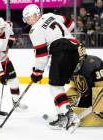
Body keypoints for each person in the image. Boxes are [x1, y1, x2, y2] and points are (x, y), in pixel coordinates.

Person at [22, 4, 80, 132]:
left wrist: (37, 73)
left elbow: (42, 56)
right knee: (57, 86)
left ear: (36, 15)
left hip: (61, 53)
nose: (28, 21)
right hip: (75, 50)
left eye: (29, 17)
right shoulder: (50, 15)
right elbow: (71, 24)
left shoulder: (34, 30)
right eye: (26, 18)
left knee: (55, 87)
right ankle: (62, 117)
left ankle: (70, 116)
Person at [0, 17, 28, 110]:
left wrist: (9, 44)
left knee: (14, 81)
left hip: (4, 58)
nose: (0, 30)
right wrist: (1, 75)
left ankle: (16, 103)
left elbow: (11, 30)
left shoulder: (7, 26)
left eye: (1, 28)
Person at [66, 46, 103, 127]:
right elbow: (74, 88)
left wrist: (99, 106)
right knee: (77, 113)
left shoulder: (95, 62)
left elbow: (101, 86)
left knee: (97, 115)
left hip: (99, 95)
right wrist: (68, 102)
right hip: (87, 97)